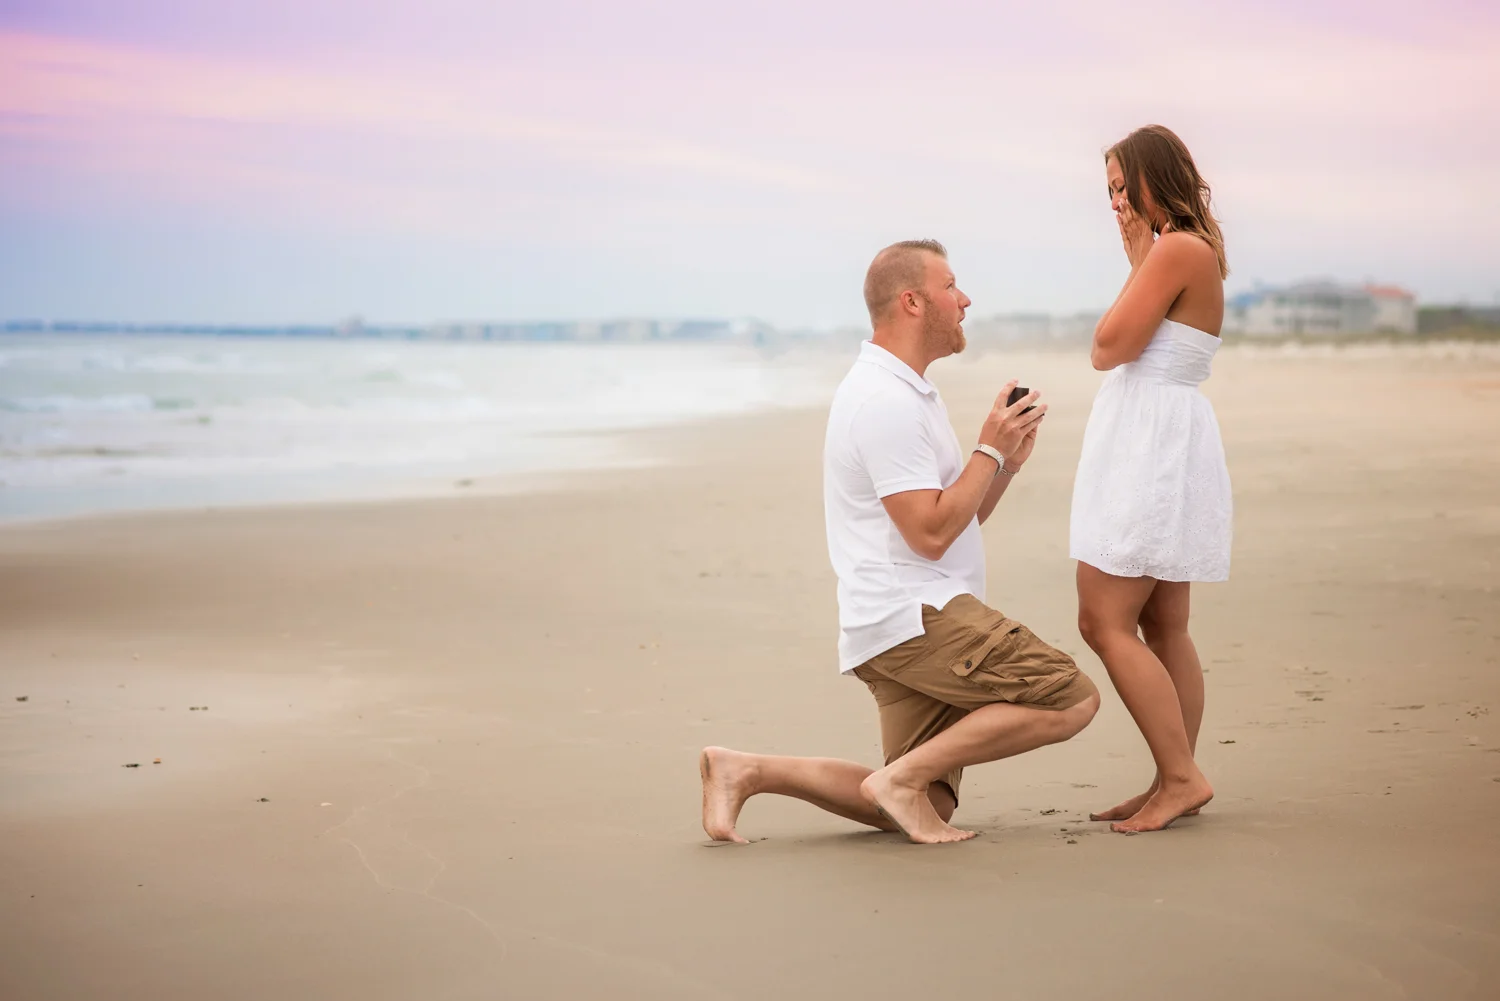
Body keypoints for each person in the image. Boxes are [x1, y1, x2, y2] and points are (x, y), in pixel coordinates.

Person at [700, 239, 1100, 845]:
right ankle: (898, 782)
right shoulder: (884, 401)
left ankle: (747, 770)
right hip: (915, 614)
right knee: (1069, 698)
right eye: (951, 287)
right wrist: (987, 448)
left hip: (892, 615)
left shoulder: (905, 390)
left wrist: (1006, 461)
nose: (965, 300)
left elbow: (951, 519)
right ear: (913, 301)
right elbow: (932, 534)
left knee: (926, 797)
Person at [1070, 125, 1233, 833]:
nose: (1114, 203)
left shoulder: (1173, 249)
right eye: (1106, 191)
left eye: (1120, 186)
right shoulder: (1184, 248)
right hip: (1165, 434)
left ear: (1151, 178)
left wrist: (1138, 257)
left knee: (1103, 619)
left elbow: (1108, 346)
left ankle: (1179, 775)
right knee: (1164, 624)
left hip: (1151, 443)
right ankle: (1175, 775)